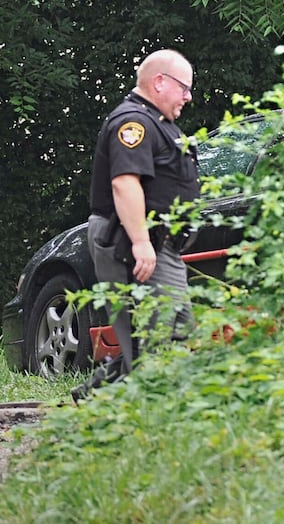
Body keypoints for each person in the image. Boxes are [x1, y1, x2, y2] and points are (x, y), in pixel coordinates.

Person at [82, 49, 200, 383]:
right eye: (184, 88)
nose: (188, 97)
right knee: (161, 334)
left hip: (157, 245)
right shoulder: (132, 123)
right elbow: (124, 183)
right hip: (130, 242)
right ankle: (151, 417)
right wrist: (141, 242)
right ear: (159, 82)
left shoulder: (159, 124)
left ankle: (95, 400)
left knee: (158, 333)